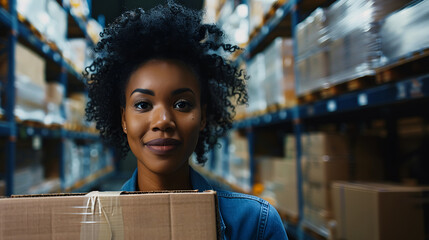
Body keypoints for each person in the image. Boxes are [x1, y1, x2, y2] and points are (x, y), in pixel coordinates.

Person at [85, 1, 288, 239]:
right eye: (143, 104)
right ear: (123, 119)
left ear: (202, 116)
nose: (162, 121)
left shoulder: (256, 226)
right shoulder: (94, 227)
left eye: (182, 104)